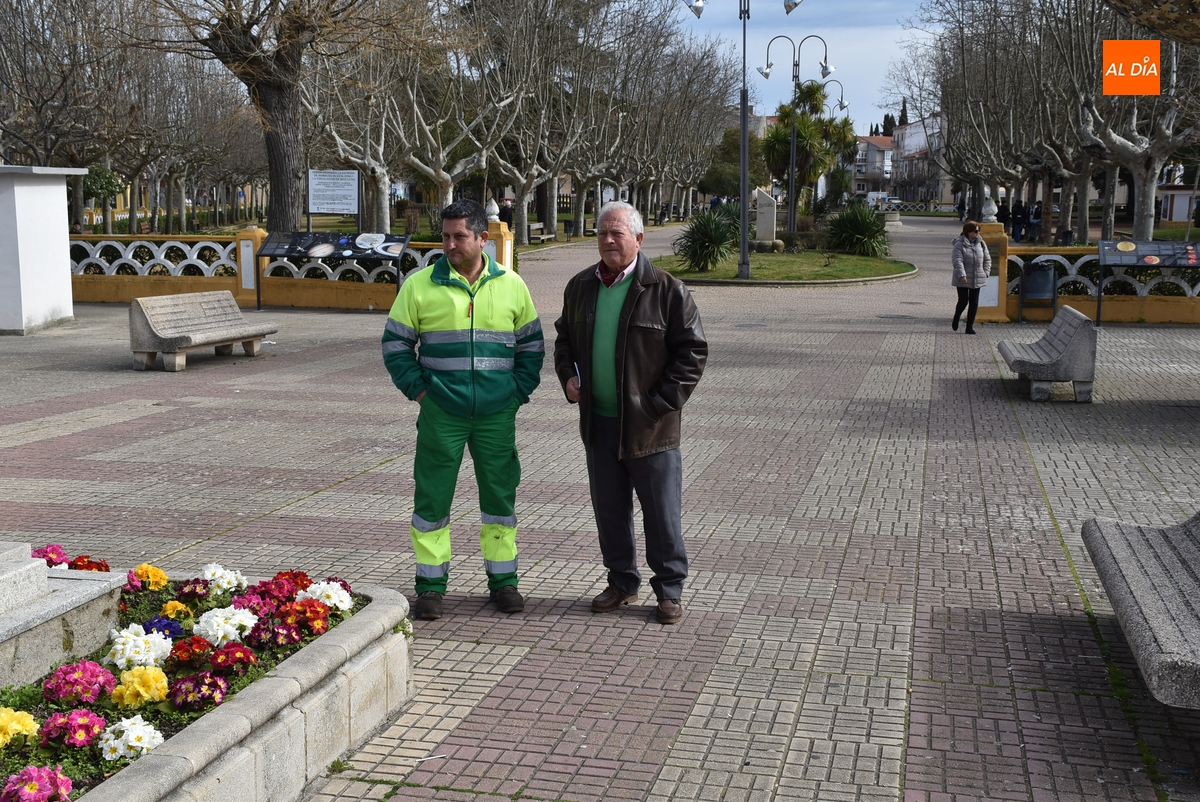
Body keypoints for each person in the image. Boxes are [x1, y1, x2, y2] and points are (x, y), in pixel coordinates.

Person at [382, 199, 544, 620]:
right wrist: (421, 393)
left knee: (499, 500)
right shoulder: (419, 285)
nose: (450, 244)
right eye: (446, 236)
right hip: (441, 412)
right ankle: (431, 588)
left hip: (497, 415)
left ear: (482, 239)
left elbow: (532, 346)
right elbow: (396, 346)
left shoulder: (512, 285)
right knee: (432, 500)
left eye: (460, 236)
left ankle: (504, 583)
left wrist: (516, 393)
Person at [553, 201, 707, 625]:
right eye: (602, 232)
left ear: (638, 239)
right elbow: (564, 339)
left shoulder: (667, 289)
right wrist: (567, 376)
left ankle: (669, 590)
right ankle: (621, 581)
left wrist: (656, 404)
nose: (607, 240)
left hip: (651, 428)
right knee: (610, 511)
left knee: (661, 514)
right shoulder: (580, 286)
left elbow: (692, 353)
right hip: (599, 424)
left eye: (617, 233)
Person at [951, 220, 991, 335]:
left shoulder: (981, 243)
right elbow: (957, 260)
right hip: (963, 277)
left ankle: (969, 327)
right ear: (968, 231)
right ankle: (956, 317)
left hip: (977, 277)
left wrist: (985, 273)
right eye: (976, 231)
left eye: (979, 231)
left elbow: (987, 259)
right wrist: (962, 275)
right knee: (963, 301)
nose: (978, 233)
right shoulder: (959, 243)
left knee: (974, 302)